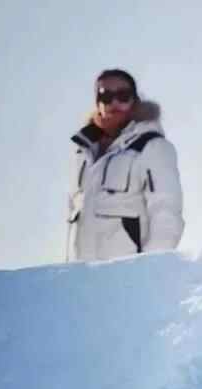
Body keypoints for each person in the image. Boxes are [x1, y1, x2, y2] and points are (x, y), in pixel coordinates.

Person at [67, 69, 184, 261]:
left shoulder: (152, 147)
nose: (114, 103)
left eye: (123, 96)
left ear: (134, 100)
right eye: (106, 96)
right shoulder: (83, 153)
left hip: (127, 280)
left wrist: (150, 271)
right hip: (81, 280)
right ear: (98, 103)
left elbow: (167, 213)